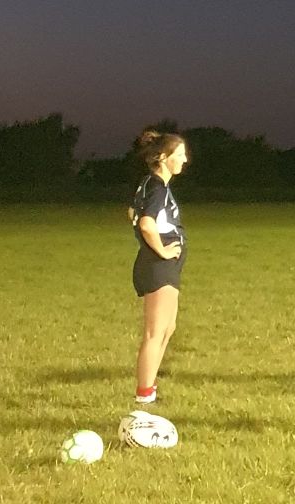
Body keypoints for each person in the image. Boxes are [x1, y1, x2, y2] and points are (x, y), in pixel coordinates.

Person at [128, 129, 189, 404]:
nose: (185, 159)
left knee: (167, 328)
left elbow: (132, 212)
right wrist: (162, 250)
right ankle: (144, 395)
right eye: (180, 154)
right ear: (164, 158)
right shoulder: (157, 187)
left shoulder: (151, 184)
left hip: (161, 267)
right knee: (155, 332)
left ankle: (150, 388)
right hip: (158, 266)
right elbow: (146, 223)